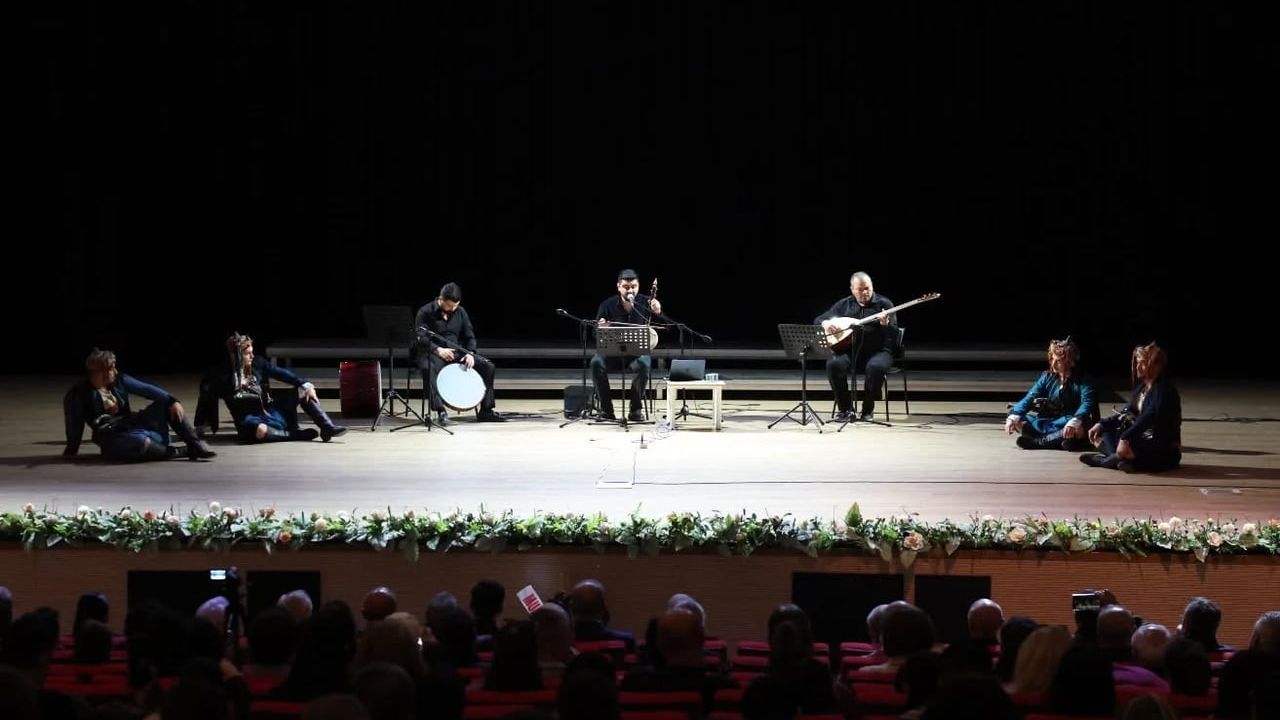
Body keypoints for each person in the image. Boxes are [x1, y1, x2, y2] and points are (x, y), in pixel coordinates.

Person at [64, 348, 215, 461]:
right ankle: (182, 451)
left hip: (134, 425)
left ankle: (195, 445)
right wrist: (72, 450)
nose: (115, 371)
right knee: (138, 442)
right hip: (113, 438)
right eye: (112, 368)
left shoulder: (120, 380)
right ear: (100, 372)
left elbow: (147, 389)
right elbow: (74, 425)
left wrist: (172, 401)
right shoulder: (78, 394)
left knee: (166, 404)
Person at [209, 332, 348, 442]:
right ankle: (293, 435)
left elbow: (281, 373)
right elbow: (208, 397)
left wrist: (306, 385)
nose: (252, 356)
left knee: (303, 391)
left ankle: (327, 427)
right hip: (251, 420)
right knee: (259, 430)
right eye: (247, 354)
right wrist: (203, 425)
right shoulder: (223, 377)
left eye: (252, 352)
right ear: (236, 355)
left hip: (271, 413)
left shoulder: (258, 363)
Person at [1081, 341, 1181, 472]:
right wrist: (1101, 424)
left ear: (1156, 366)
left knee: (1128, 443)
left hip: (1161, 446)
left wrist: (1126, 438)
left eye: (1142, 363)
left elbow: (1148, 418)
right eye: (1137, 363)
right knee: (1105, 432)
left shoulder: (1163, 390)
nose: (1137, 367)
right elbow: (1126, 413)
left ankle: (1106, 460)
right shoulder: (1142, 389)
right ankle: (1125, 459)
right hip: (1141, 439)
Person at [414, 282, 506, 426]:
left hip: (456, 353)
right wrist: (438, 350)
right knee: (428, 368)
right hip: (434, 353)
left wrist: (470, 353)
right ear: (441, 299)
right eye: (449, 306)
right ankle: (441, 411)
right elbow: (421, 337)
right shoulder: (425, 312)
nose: (452, 309)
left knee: (488, 366)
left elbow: (470, 337)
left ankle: (486, 411)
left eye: (455, 306)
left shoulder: (461, 312)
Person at [816, 271, 896, 422]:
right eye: (860, 289)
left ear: (872, 286)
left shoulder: (884, 304)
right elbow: (820, 318)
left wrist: (886, 324)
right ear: (852, 289)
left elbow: (894, 334)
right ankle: (845, 409)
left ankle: (867, 409)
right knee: (833, 364)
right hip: (850, 351)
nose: (865, 292)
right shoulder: (844, 304)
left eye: (867, 288)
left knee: (876, 367)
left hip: (878, 351)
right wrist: (825, 323)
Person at [593, 269, 664, 422]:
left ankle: (635, 410)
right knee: (596, 362)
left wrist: (658, 312)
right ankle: (606, 411)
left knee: (644, 363)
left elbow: (665, 327)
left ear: (638, 286)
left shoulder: (646, 302)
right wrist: (600, 328)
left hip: (636, 354)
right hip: (612, 354)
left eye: (634, 286)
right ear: (618, 286)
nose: (630, 290)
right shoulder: (607, 305)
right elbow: (595, 332)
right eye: (626, 287)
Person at [1005, 337, 1098, 450]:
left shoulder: (1084, 379)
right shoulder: (1047, 377)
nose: (1053, 363)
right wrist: (1014, 416)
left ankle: (1039, 442)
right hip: (1048, 421)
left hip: (1068, 420)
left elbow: (1087, 403)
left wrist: (1075, 420)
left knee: (1078, 428)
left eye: (1058, 361)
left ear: (1069, 362)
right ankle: (1060, 441)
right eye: (1052, 359)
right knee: (1016, 418)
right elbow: (1030, 397)